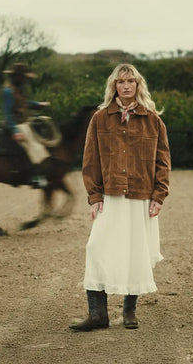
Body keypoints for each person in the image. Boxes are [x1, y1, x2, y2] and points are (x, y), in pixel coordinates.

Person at [70, 63, 171, 331]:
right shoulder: (100, 119)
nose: (126, 86)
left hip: (141, 196)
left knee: (134, 251)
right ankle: (98, 315)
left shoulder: (153, 120)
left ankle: (129, 311)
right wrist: (95, 196)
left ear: (138, 85)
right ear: (114, 86)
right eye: (121, 81)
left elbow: (163, 161)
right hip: (110, 196)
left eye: (131, 81)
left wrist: (159, 196)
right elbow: (90, 160)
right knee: (96, 248)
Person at [1, 63, 50, 188]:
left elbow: (24, 103)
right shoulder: (7, 91)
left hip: (24, 122)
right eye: (23, 77)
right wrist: (15, 131)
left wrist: (38, 104)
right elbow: (8, 112)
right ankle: (34, 176)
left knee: (40, 138)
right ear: (16, 77)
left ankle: (42, 171)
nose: (25, 80)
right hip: (16, 124)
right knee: (31, 145)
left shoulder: (18, 90)